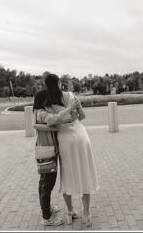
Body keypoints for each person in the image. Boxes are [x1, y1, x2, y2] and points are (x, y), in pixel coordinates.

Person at [42, 73, 98, 227]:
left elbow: (53, 123)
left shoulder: (47, 103)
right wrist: (72, 116)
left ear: (46, 86)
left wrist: (64, 119)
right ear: (59, 83)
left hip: (64, 138)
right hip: (80, 136)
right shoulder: (72, 96)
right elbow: (82, 116)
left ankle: (70, 211)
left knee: (67, 174)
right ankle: (86, 214)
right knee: (84, 172)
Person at [32, 84, 75, 227]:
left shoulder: (40, 112)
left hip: (47, 150)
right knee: (47, 184)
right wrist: (69, 109)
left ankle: (46, 209)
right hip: (46, 151)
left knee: (44, 182)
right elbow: (53, 119)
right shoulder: (41, 113)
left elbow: (55, 121)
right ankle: (47, 218)